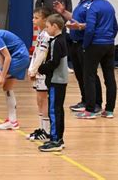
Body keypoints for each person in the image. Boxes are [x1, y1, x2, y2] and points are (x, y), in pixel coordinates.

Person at [54, 0, 102, 113]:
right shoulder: (83, 1)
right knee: (80, 75)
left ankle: (96, 103)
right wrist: (63, 12)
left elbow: (90, 24)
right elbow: (75, 19)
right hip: (74, 43)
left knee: (90, 75)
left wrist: (79, 26)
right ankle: (85, 99)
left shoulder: (93, 3)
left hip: (84, 43)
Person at [77, 0, 118, 119]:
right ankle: (110, 110)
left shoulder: (93, 7)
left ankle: (90, 110)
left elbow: (90, 29)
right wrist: (109, 38)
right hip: (109, 45)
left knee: (89, 76)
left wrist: (85, 45)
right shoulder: (109, 5)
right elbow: (115, 27)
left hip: (95, 45)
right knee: (109, 77)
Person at [37, 14, 68, 152]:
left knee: (54, 110)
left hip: (57, 80)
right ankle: (58, 138)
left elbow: (54, 62)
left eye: (48, 26)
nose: (47, 29)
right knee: (58, 109)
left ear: (55, 27)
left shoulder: (56, 41)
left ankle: (56, 139)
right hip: (59, 80)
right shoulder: (61, 39)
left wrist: (41, 69)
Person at [26, 7, 52, 141]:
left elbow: (42, 55)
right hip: (38, 73)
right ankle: (42, 128)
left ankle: (47, 131)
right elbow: (35, 53)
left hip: (43, 73)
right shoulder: (41, 33)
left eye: (36, 18)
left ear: (45, 20)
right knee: (39, 101)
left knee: (43, 100)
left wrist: (33, 70)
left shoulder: (46, 35)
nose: (33, 20)